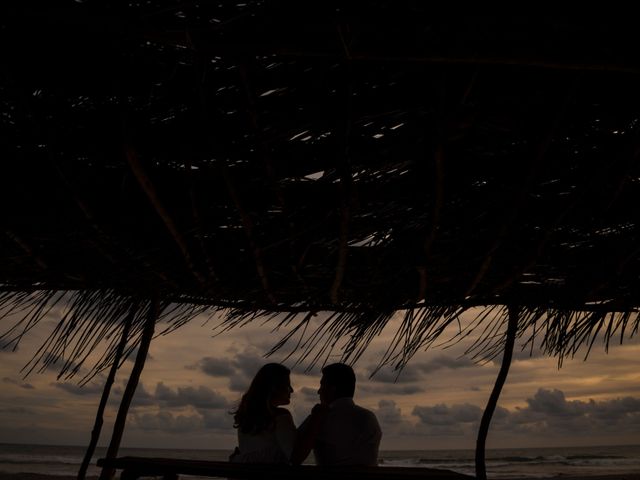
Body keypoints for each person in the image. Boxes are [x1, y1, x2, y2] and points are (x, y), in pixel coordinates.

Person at [229, 362, 323, 465]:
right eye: (287, 385)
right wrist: (315, 420)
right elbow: (295, 457)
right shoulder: (280, 416)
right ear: (274, 388)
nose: (291, 390)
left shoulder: (245, 419)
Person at [296, 363, 382, 466]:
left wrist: (314, 419)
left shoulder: (320, 419)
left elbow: (295, 456)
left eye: (322, 385)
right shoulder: (369, 418)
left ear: (332, 389)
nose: (318, 391)